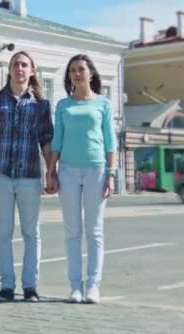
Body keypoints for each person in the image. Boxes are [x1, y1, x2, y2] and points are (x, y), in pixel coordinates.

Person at [0, 51, 54, 303]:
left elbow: (46, 140)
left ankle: (30, 287)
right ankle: (7, 286)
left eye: (24, 65)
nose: (20, 68)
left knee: (31, 233)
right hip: (1, 174)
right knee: (3, 232)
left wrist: (50, 172)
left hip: (29, 176)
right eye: (15, 64)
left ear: (32, 71)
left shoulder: (41, 105)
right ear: (9, 70)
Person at [47, 54, 117, 304]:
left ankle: (93, 286)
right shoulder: (63, 106)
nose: (77, 74)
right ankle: (75, 286)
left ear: (91, 74)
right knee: (72, 231)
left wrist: (111, 174)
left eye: (81, 69)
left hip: (96, 170)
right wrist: (50, 170)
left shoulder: (103, 104)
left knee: (94, 230)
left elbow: (111, 142)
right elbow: (57, 141)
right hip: (67, 170)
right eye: (73, 70)